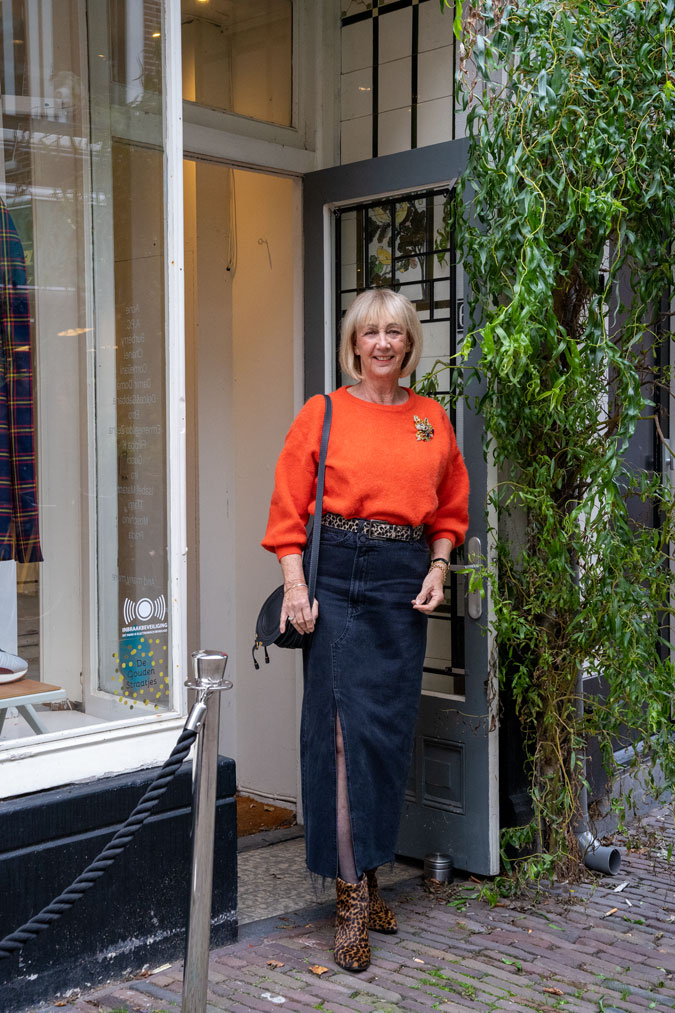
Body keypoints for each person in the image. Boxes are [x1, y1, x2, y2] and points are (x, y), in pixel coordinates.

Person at [262, 288, 469, 972]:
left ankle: (372, 870)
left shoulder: (431, 419)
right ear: (353, 343)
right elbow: (289, 513)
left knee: (382, 738)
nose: (382, 342)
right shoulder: (320, 413)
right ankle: (349, 897)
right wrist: (296, 586)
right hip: (336, 585)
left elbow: (449, 513)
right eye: (369, 332)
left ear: (409, 343)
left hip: (401, 582)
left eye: (394, 332)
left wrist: (438, 569)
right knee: (341, 738)